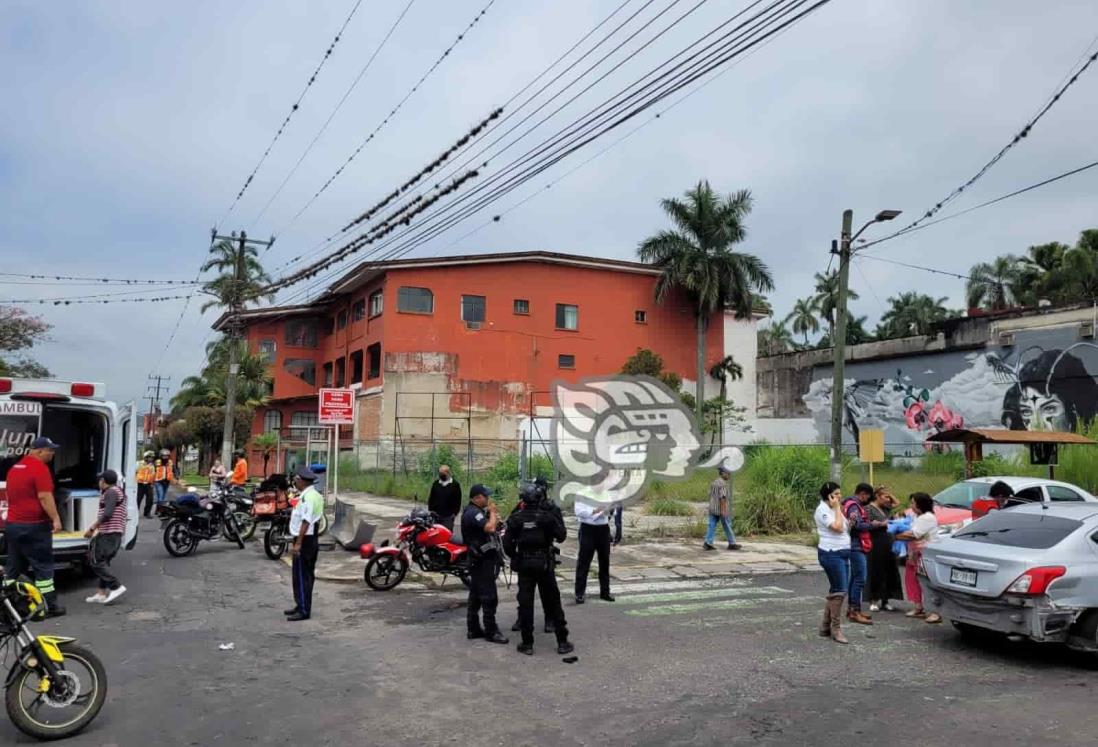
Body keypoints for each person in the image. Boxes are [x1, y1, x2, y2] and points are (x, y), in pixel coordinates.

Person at [503, 482, 574, 656]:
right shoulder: (546, 517)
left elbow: (507, 544)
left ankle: (527, 644)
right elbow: (562, 536)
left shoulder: (516, 518)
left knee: (526, 604)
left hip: (525, 564)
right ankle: (562, 642)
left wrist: (516, 557)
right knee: (553, 602)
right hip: (544, 563)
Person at [3, 436, 65, 617]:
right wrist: (55, 518)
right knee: (43, 567)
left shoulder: (15, 468)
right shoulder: (39, 469)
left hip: (13, 525)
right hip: (35, 527)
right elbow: (45, 496)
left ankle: (8, 606)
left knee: (13, 568)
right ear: (39, 451)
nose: (52, 453)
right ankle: (49, 606)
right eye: (50, 450)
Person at [462, 485, 507, 643]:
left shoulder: (478, 512)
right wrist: (493, 513)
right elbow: (490, 527)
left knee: (475, 595)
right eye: (484, 496)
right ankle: (491, 631)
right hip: (480, 561)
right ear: (476, 498)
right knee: (489, 597)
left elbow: (494, 527)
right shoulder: (473, 513)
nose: (487, 499)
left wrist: (494, 517)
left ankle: (473, 628)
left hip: (481, 560)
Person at [83, 469, 128, 605]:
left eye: (100, 480)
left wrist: (92, 528)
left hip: (109, 533)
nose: (99, 482)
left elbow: (108, 513)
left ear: (103, 481)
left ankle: (116, 586)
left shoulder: (111, 492)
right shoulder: (117, 491)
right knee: (103, 562)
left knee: (96, 562)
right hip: (114, 533)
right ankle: (101, 593)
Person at [285, 467, 324, 622]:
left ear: (302, 481)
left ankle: (303, 609)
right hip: (308, 539)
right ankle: (300, 603)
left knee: (302, 576)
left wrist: (298, 543)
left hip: (305, 540)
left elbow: (306, 521)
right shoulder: (313, 495)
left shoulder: (309, 498)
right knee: (302, 575)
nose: (295, 481)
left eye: (296, 479)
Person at [896, 492, 942, 624]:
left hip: (925, 554)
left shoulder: (927, 518)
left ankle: (935, 612)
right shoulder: (917, 516)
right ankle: (918, 607)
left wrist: (895, 535)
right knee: (912, 580)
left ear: (919, 504)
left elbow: (914, 534)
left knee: (927, 583)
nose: (911, 506)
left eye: (913, 503)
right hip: (914, 553)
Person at [843, 482, 883, 625]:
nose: (867, 500)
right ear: (862, 494)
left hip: (854, 544)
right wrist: (873, 524)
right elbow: (857, 525)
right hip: (856, 545)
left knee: (855, 578)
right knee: (860, 578)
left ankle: (853, 609)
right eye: (867, 496)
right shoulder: (854, 506)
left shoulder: (853, 504)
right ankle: (855, 611)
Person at [815, 481, 849, 644]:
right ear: (829, 495)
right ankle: (835, 629)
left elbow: (845, 526)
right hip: (831, 553)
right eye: (836, 493)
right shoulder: (823, 510)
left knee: (838, 590)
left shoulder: (833, 508)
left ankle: (825, 626)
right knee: (840, 590)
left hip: (841, 552)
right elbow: (838, 527)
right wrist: (836, 508)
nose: (840, 496)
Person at [866, 487, 902, 613]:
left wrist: (889, 493)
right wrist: (882, 524)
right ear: (877, 496)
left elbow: (897, 503)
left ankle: (885, 600)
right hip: (876, 542)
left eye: (888, 497)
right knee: (876, 570)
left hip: (888, 542)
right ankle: (873, 600)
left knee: (889, 570)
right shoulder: (869, 509)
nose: (888, 499)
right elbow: (867, 524)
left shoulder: (886, 508)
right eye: (885, 496)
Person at [573, 498, 614, 603]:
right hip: (588, 529)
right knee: (584, 562)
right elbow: (578, 511)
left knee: (604, 562)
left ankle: (605, 592)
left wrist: (609, 510)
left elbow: (613, 511)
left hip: (603, 529)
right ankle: (580, 593)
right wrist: (594, 511)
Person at [703, 465, 741, 551]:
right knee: (727, 524)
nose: (729, 475)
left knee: (711, 525)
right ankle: (732, 543)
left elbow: (710, 495)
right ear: (723, 474)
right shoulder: (723, 484)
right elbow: (722, 498)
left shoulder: (714, 482)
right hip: (720, 509)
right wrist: (723, 511)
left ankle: (708, 542)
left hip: (712, 508)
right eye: (728, 474)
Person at [427, 464, 462, 532]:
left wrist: (455, 513)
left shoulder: (455, 485)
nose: (441, 475)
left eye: (443, 473)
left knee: (446, 534)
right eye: (440, 473)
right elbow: (431, 497)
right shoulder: (436, 484)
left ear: (448, 473)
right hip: (436, 515)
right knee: (434, 534)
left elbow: (458, 500)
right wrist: (431, 509)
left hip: (448, 516)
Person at [136, 451, 157, 518]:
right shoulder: (139, 463)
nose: (151, 459)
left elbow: (153, 475)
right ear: (146, 457)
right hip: (140, 484)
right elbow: (134, 472)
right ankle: (135, 513)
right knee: (138, 499)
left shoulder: (152, 466)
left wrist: (153, 484)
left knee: (150, 499)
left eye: (152, 458)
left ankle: (147, 513)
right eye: (150, 457)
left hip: (148, 484)